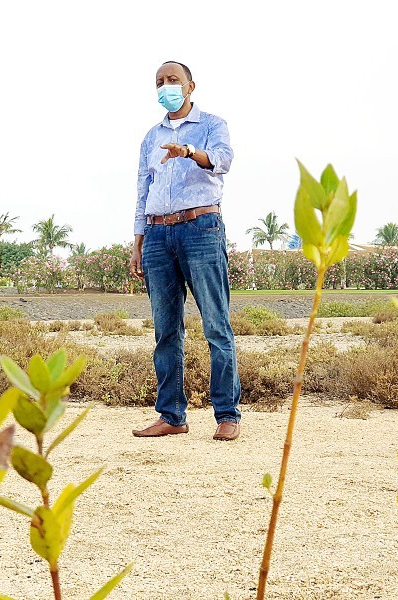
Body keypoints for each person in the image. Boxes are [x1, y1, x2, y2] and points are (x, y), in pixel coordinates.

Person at [130, 61, 241, 441]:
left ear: (190, 86)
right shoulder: (149, 137)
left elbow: (223, 161)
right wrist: (138, 241)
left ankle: (227, 414)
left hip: (201, 228)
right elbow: (142, 191)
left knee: (215, 324)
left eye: (173, 80)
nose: (166, 86)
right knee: (166, 331)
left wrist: (189, 151)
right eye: (159, 82)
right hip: (158, 235)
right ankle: (172, 415)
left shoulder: (212, 125)